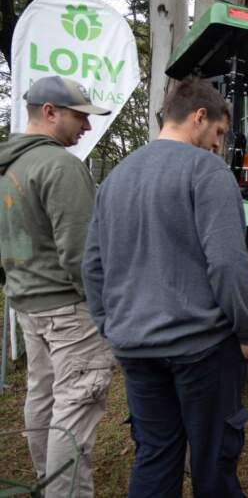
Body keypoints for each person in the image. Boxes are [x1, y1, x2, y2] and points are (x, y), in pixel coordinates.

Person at [82, 77, 248, 498]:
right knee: (213, 458)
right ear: (200, 116)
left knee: (155, 454)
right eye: (218, 132)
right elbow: (228, 265)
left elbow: (92, 265)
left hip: (136, 347)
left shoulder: (116, 177)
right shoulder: (207, 171)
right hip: (201, 348)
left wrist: (112, 327)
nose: (218, 145)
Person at [0, 75, 113, 497]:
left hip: (28, 303)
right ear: (50, 112)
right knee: (75, 409)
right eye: (79, 116)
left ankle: (46, 482)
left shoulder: (8, 166)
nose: (86, 127)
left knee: (43, 396)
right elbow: (83, 255)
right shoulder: (60, 166)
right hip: (70, 310)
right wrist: (104, 308)